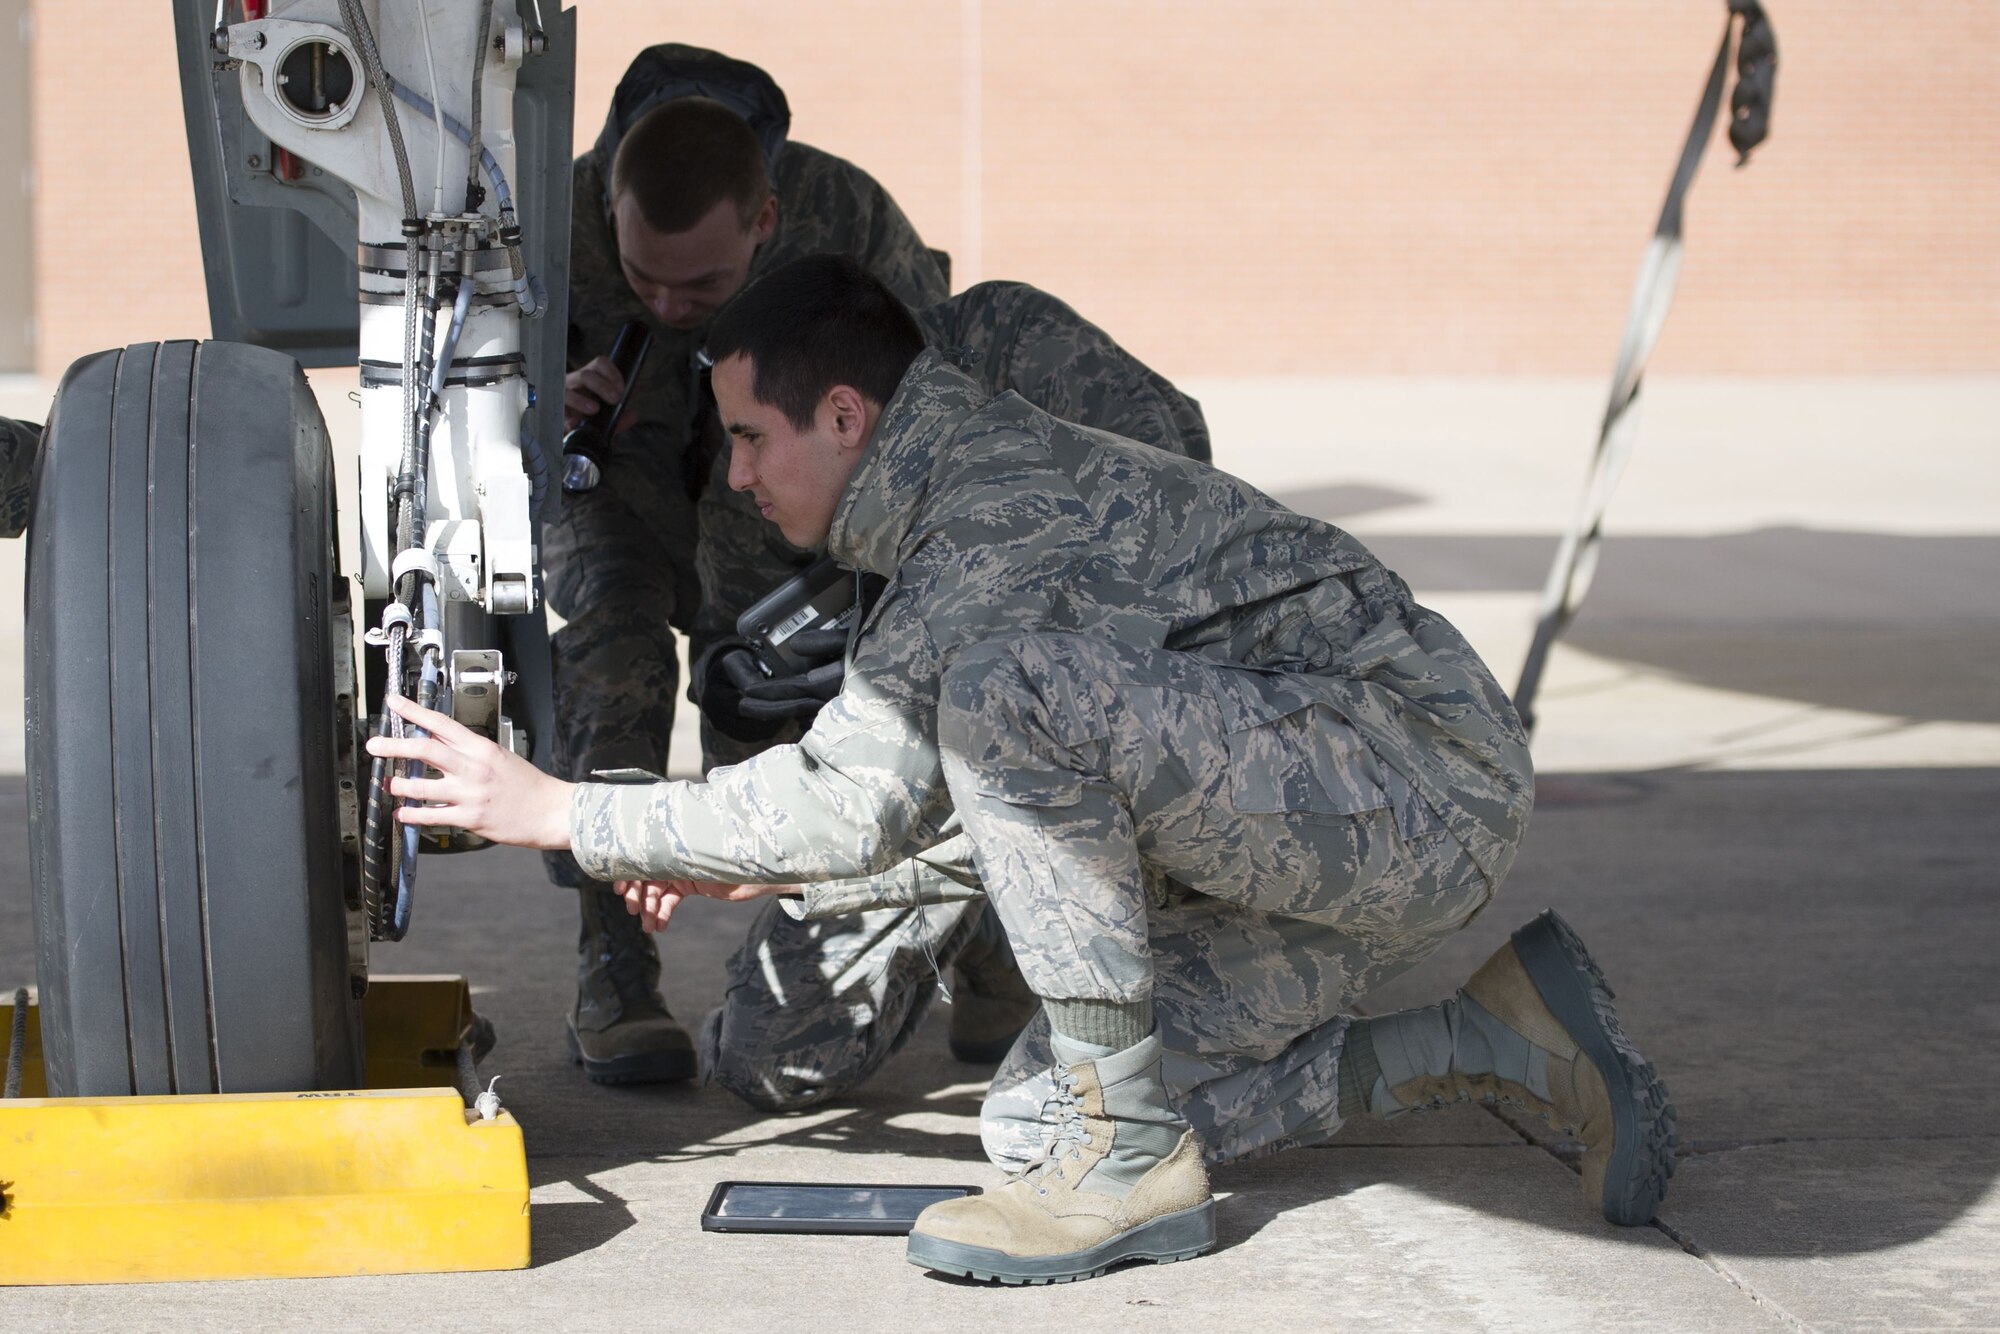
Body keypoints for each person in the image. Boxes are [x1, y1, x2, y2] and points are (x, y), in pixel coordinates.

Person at [369, 256, 1678, 1286]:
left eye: (754, 438)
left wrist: (561, 811)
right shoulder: (938, 516)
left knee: (1010, 697)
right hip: (1298, 830)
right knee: (1032, 1122)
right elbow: (977, 802)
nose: (744, 476)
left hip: (1419, 784)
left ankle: (1119, 1158)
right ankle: (1484, 1039)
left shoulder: (990, 512)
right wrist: (705, 860)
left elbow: (865, 790)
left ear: (844, 412)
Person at [687, 277, 1211, 1113]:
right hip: (907, 779)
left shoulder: (1010, 348)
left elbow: (1166, 528)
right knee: (770, 1055)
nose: (743, 469)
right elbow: (761, 701)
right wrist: (753, 721)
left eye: (696, 283)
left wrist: (948, 628)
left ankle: (1052, 948)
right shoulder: (760, 440)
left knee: (1161, 1096)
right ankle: (998, 950)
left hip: (1087, 751)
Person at [547, 45, 948, 1084]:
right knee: (610, 681)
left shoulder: (843, 220)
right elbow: (460, 381)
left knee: (806, 734)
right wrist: (542, 399)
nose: (672, 305)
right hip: (621, 505)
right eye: (644, 280)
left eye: (704, 285)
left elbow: (932, 383)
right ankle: (615, 975)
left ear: (764, 223)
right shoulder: (547, 213)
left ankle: (943, 951)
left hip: (779, 536)